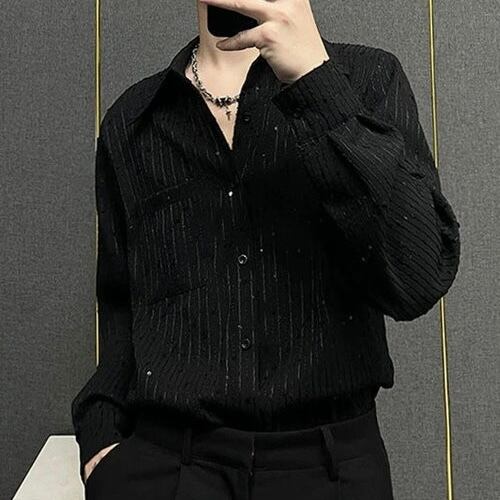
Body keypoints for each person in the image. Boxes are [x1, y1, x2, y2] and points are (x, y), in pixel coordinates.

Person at [71, 1, 461, 499]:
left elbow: (419, 275)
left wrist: (316, 83)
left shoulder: (367, 79)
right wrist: (101, 435)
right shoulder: (132, 120)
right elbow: (121, 305)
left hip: (330, 468)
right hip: (168, 466)